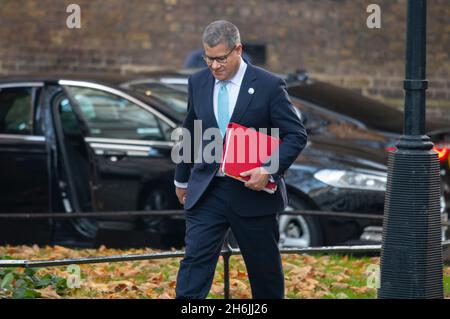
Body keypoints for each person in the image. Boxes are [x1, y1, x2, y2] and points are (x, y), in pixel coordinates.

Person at [174, 20, 307, 299]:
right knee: (194, 263)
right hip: (207, 191)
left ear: (238, 50)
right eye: (208, 58)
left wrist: (269, 169)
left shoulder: (269, 85)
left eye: (220, 58)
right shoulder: (197, 81)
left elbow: (296, 135)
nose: (214, 66)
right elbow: (191, 129)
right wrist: (181, 178)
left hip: (252, 194)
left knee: (264, 272)